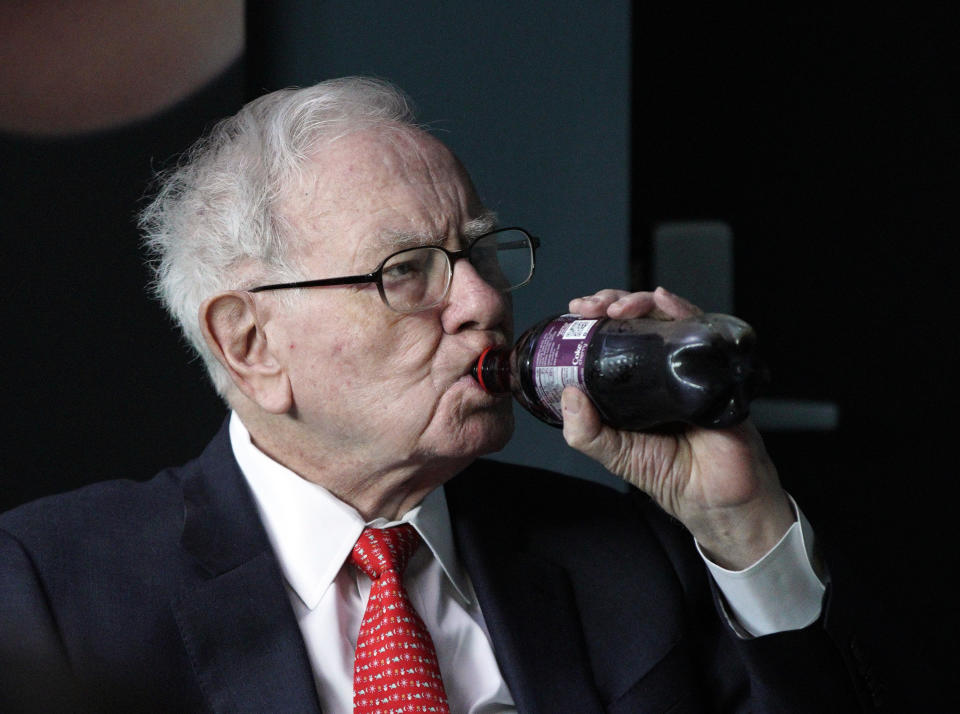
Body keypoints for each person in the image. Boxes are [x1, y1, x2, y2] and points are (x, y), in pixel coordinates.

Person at [0, 77, 883, 713]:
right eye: (407, 271)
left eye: (480, 253)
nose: (487, 302)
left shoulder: (626, 559)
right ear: (251, 342)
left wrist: (744, 528)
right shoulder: (51, 589)